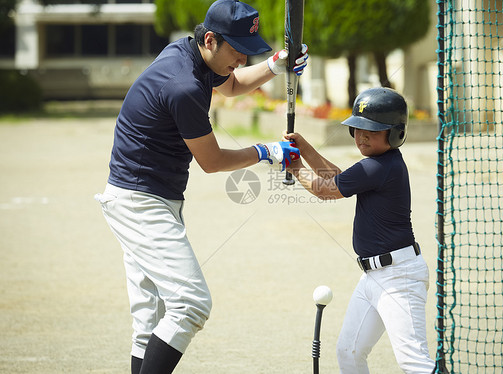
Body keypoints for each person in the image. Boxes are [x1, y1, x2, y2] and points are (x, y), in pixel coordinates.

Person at [94, 0, 308, 373]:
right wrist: (266, 150)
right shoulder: (183, 85)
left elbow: (230, 86)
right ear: (210, 39)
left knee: (151, 318)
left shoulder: (188, 52)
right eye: (237, 52)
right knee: (191, 303)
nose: (241, 61)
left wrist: (276, 65)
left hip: (145, 197)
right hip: (140, 203)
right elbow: (211, 162)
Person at [284, 87, 435, 373]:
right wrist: (303, 148)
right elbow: (337, 178)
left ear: (395, 133)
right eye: (357, 129)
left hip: (399, 278)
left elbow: (325, 189)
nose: (362, 136)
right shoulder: (375, 165)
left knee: (413, 362)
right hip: (372, 278)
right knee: (349, 352)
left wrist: (295, 167)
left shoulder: (381, 167)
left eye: (372, 131)